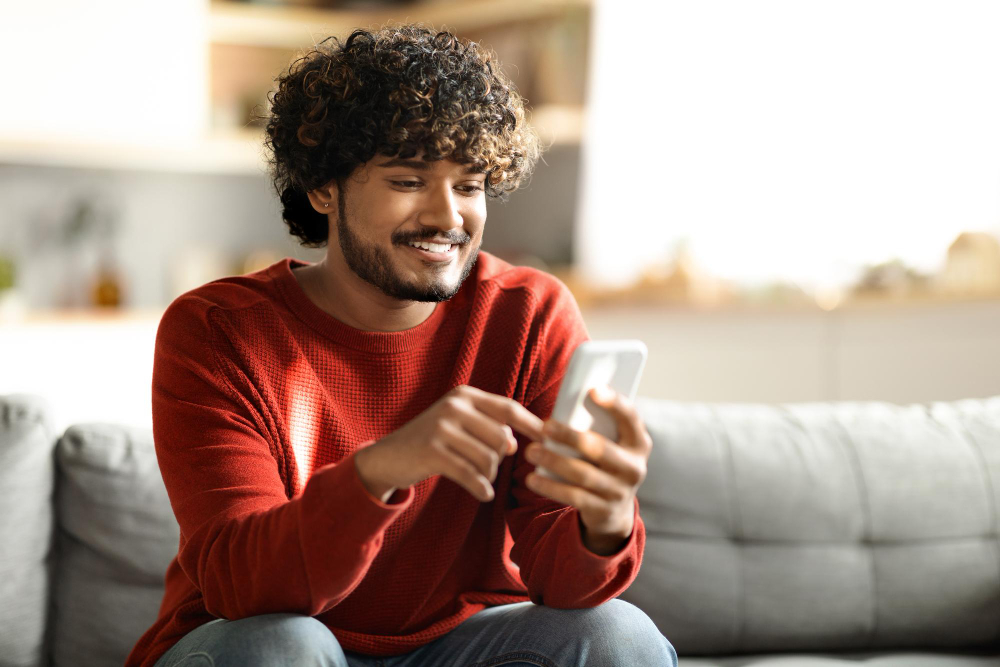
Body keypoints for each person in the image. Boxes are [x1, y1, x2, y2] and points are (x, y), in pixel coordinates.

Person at [126, 24, 677, 667]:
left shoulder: (528, 314)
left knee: (618, 636)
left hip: (456, 646)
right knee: (285, 644)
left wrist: (604, 520)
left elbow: (566, 586)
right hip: (260, 638)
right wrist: (383, 469)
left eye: (469, 185)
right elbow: (243, 586)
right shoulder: (219, 328)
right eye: (409, 181)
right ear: (323, 187)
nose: (448, 216)